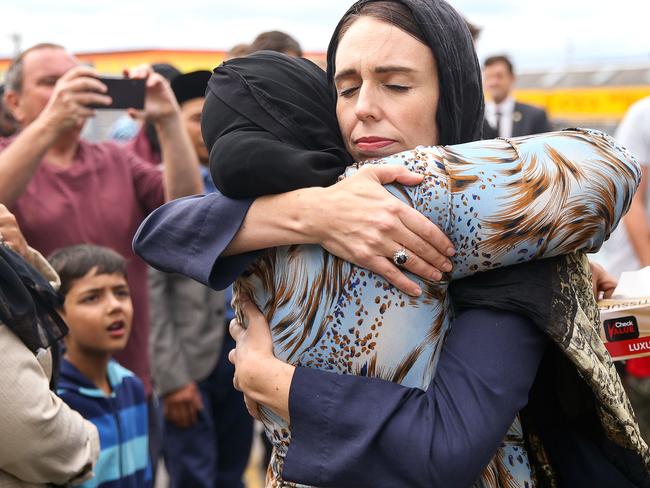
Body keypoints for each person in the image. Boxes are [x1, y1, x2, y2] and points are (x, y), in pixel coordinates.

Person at [134, 2, 647, 485]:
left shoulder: (463, 209)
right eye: (346, 87)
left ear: (453, 88)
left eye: (396, 85)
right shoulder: (367, 206)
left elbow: (164, 231)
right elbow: (162, 229)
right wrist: (315, 210)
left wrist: (270, 379)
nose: (364, 110)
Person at [0, 43, 202, 431]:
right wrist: (50, 122)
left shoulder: (116, 158)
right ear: (14, 101)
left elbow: (186, 213)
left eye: (78, 80)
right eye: (50, 82)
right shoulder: (11, 159)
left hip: (129, 377)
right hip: (43, 386)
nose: (68, 90)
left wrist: (168, 119)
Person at [147, 70, 253, 488]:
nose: (208, 128)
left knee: (234, 467)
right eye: (195, 118)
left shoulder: (245, 183)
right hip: (188, 359)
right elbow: (153, 291)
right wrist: (171, 378)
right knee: (193, 472)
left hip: (239, 350)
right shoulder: (162, 186)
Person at [0, 205, 100, 487]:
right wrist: (88, 443)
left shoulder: (128, 385)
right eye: (92, 298)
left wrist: (17, 256)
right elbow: (27, 432)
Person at [50, 244, 151, 488]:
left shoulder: (132, 387)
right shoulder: (54, 401)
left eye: (121, 293)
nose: (115, 306)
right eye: (92, 298)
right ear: (58, 315)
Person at [599, 95, 650, 443]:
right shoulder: (643, 114)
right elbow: (633, 201)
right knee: (635, 384)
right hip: (635, 272)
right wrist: (649, 267)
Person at [482, 54, 551, 139]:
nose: (493, 82)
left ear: (512, 78)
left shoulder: (535, 116)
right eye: (488, 77)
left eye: (499, 76)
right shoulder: (478, 118)